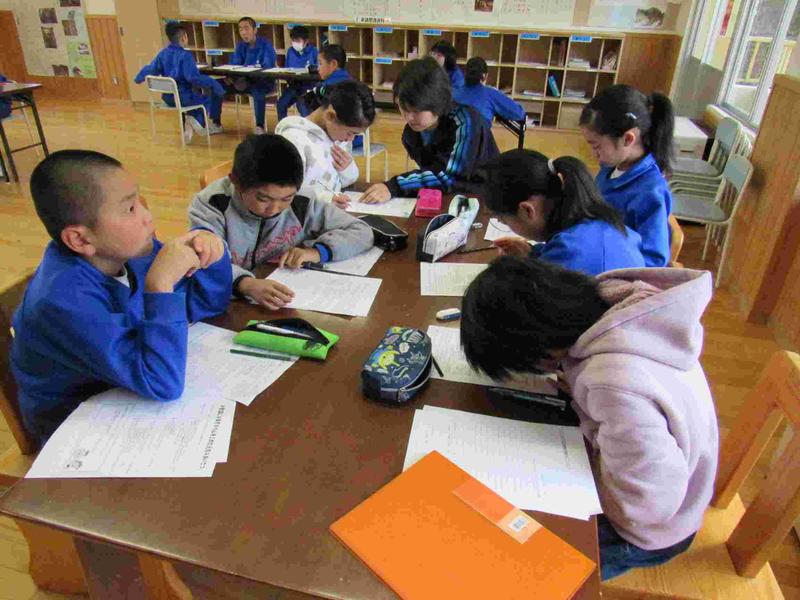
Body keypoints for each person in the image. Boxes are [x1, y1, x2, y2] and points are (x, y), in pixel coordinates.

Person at [460, 257, 718, 581]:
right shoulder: (614, 304)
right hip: (676, 486)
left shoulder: (615, 383)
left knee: (523, 569)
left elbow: (647, 506)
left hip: (646, 532)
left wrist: (589, 457)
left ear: (542, 353)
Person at [11, 150, 232, 443]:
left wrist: (211, 252)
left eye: (139, 201)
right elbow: (162, 382)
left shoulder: (127, 252)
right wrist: (160, 285)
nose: (147, 216)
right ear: (80, 239)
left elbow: (205, 304)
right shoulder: (61, 301)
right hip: (76, 431)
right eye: (130, 209)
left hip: (125, 390)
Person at [188, 134, 373, 310]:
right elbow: (202, 262)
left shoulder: (302, 201)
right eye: (263, 199)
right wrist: (245, 284)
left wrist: (317, 252)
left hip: (279, 296)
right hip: (225, 301)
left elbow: (361, 231)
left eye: (286, 199)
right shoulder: (212, 205)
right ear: (236, 182)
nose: (275, 209)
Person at [481, 149, 644, 275]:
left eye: (503, 220)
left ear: (527, 210)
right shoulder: (604, 224)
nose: (505, 224)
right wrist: (533, 253)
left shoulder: (567, 255)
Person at [360, 57, 498, 203]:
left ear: (438, 103)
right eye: (403, 108)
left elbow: (448, 177)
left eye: (416, 111)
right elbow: (432, 175)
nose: (409, 118)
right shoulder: (411, 134)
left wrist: (393, 186)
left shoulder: (465, 122)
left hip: (484, 198)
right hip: (447, 196)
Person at [580, 84, 675, 267]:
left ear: (628, 139)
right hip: (594, 249)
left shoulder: (650, 192)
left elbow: (653, 261)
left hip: (611, 269)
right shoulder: (610, 167)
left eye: (596, 146)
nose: (593, 153)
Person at [276, 80, 375, 208]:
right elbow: (283, 192)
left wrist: (347, 168)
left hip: (331, 212)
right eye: (350, 133)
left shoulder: (338, 138)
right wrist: (325, 199)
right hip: (304, 215)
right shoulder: (293, 140)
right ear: (330, 116)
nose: (350, 139)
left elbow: (344, 181)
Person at [134, 22, 225, 144]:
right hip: (183, 97)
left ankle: (190, 126)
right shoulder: (185, 55)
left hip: (168, 98)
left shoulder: (163, 54)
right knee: (206, 98)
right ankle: (196, 121)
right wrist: (213, 83)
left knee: (195, 97)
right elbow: (193, 78)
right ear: (183, 38)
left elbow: (151, 69)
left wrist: (139, 78)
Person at [229, 16, 276, 135]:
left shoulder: (266, 45)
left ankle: (259, 126)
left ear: (255, 30)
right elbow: (234, 65)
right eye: (240, 29)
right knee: (217, 86)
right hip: (243, 81)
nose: (243, 32)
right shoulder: (240, 46)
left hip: (262, 82)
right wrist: (231, 77)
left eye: (246, 28)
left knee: (258, 91)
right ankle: (216, 122)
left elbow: (267, 66)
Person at [453, 57, 525, 127]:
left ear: (465, 73)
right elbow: (519, 113)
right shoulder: (490, 94)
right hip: (480, 134)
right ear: (484, 76)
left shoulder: (453, 93)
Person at [276, 25, 319, 121]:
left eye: (298, 41)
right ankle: (282, 126)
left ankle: (308, 126)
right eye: (293, 40)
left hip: (308, 87)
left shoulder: (314, 51)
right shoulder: (290, 51)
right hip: (294, 86)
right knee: (281, 104)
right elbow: (287, 69)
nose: (295, 43)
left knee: (302, 106)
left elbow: (318, 71)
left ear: (306, 41)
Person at [303, 44, 352, 113]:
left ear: (333, 64)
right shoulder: (349, 79)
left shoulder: (329, 86)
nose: (318, 68)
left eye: (320, 63)